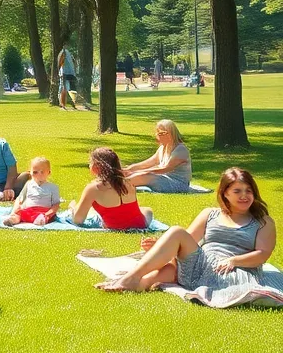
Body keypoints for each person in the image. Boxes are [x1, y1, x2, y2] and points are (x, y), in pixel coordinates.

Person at [97, 167, 276, 293]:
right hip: (202, 263)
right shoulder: (210, 214)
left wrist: (234, 261)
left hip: (230, 270)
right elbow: (187, 240)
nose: (244, 196)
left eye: (248, 191)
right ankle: (139, 282)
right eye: (237, 191)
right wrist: (159, 245)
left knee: (176, 236)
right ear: (225, 194)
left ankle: (132, 280)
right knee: (176, 245)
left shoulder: (263, 222)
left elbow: (262, 254)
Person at [70, 147, 154, 230]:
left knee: (88, 212)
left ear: (96, 167)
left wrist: (72, 207)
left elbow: (78, 220)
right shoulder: (128, 182)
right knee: (147, 210)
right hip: (140, 225)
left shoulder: (93, 188)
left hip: (114, 226)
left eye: (91, 163)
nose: (89, 165)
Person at [125, 119, 193, 192]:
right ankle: (119, 184)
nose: (157, 136)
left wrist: (140, 172)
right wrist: (129, 169)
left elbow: (166, 169)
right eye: (157, 133)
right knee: (140, 175)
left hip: (177, 183)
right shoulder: (163, 148)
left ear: (170, 134)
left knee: (143, 176)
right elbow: (148, 163)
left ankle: (119, 186)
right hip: (163, 178)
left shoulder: (180, 149)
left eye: (161, 133)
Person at [2, 157, 62, 226]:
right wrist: (15, 210)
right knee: (19, 214)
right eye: (35, 172)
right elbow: (20, 198)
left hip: (44, 212)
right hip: (29, 211)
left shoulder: (52, 187)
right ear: (30, 172)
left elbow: (56, 205)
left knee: (45, 217)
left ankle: (41, 220)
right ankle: (13, 220)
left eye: (42, 172)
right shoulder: (28, 185)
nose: (39, 174)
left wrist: (47, 214)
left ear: (48, 173)